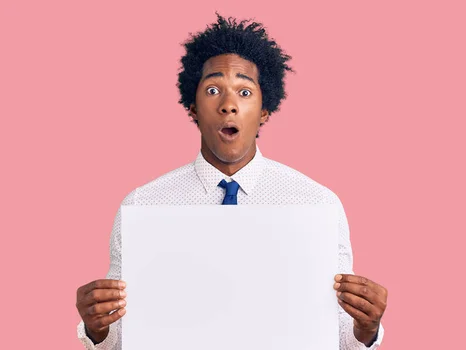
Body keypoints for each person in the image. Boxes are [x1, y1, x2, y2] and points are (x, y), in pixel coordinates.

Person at [75, 14, 387, 350]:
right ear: (193, 108)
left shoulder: (318, 205)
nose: (228, 105)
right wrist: (97, 329)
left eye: (244, 91)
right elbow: (122, 339)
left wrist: (366, 329)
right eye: (213, 90)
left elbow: (339, 338)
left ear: (264, 110)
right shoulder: (142, 206)